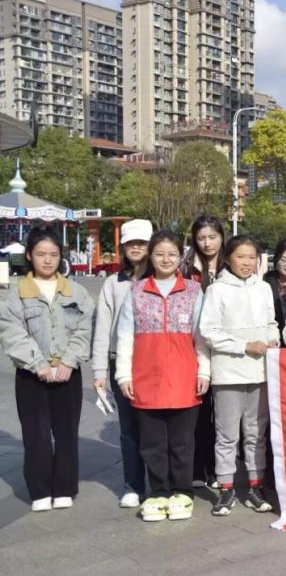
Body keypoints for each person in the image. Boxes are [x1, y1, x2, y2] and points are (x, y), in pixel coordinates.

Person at [115, 230, 209, 522]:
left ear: (180, 256)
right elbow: (125, 336)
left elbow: (201, 338)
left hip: (184, 378)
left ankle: (182, 492)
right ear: (150, 256)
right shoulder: (137, 291)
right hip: (147, 378)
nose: (166, 259)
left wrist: (204, 370)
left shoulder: (193, 291)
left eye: (172, 254)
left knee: (182, 442)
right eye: (159, 254)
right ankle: (157, 492)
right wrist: (123, 375)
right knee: (151, 442)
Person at [0, 224, 94, 513]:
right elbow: (12, 333)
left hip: (68, 374)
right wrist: (38, 364)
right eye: (41, 254)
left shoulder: (76, 291)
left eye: (53, 254)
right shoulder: (17, 294)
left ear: (60, 256)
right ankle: (40, 490)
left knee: (66, 434)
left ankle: (64, 488)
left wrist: (68, 362)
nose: (47, 260)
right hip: (31, 376)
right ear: (29, 255)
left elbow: (84, 329)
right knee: (36, 434)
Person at [200, 235, 279, 517]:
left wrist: (272, 339)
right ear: (228, 258)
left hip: (260, 372)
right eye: (241, 256)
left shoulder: (263, 288)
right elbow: (208, 332)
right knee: (227, 435)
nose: (247, 262)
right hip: (229, 374)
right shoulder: (217, 290)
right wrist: (244, 346)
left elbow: (271, 323)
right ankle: (226, 488)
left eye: (251, 257)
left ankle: (256, 486)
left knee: (256, 434)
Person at [91, 218, 153, 509]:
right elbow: (103, 329)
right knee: (129, 430)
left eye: (142, 243)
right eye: (131, 244)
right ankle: (133, 485)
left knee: (155, 428)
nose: (136, 248)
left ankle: (160, 482)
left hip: (154, 362)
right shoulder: (112, 283)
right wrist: (99, 371)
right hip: (121, 363)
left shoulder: (160, 278)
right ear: (123, 248)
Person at [182, 215, 224, 488]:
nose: (207, 243)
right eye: (201, 238)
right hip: (195, 344)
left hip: (226, 346)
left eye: (212, 237)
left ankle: (219, 469)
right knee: (199, 409)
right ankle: (198, 467)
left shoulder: (232, 263)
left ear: (222, 237)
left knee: (222, 413)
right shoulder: (186, 267)